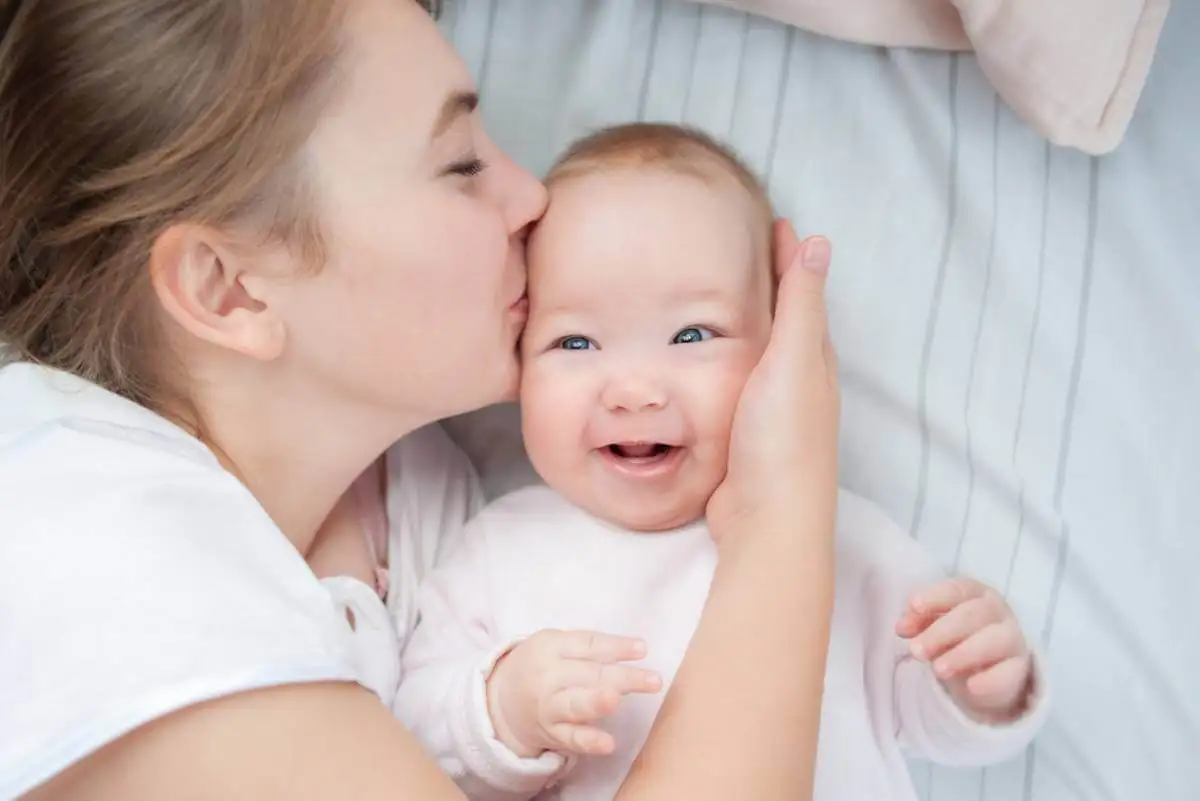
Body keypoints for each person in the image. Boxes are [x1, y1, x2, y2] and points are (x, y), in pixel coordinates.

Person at [0, 2, 840, 799]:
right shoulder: (81, 528)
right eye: (462, 165)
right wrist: (782, 506)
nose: (533, 198)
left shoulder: (423, 507)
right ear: (230, 290)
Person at [395, 124, 1049, 801]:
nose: (634, 391)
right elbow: (410, 737)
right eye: (576, 340)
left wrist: (979, 682)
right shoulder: (499, 550)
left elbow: (929, 722)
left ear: (779, 344)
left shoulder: (839, 539)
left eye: (692, 334)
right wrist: (506, 706)